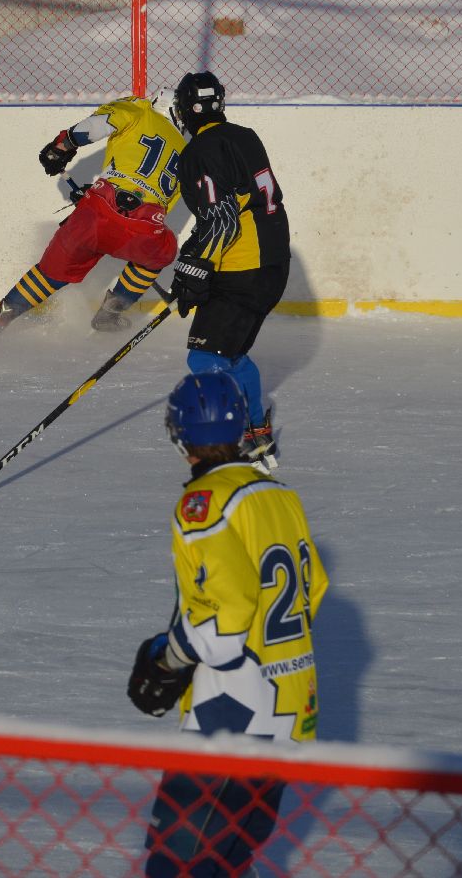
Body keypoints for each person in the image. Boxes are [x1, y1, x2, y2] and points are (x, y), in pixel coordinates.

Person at [127, 371, 328, 877]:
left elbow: (226, 621)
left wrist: (166, 658)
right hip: (290, 712)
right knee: (230, 860)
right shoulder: (279, 495)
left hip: (232, 713)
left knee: (179, 863)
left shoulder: (203, 505)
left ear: (178, 434)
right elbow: (314, 589)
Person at [0, 93, 185, 336]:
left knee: (48, 274)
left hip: (97, 209)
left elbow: (97, 125)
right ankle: (111, 312)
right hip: (142, 225)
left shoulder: (140, 110)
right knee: (159, 255)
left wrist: (62, 145)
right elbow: (153, 202)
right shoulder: (186, 149)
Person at [167, 71, 289, 469]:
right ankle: (255, 430)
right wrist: (194, 262)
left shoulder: (199, 151)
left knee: (205, 360)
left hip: (243, 269)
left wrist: (194, 268)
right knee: (232, 354)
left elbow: (221, 222)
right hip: (271, 266)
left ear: (185, 111)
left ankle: (225, 441)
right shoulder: (245, 135)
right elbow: (236, 210)